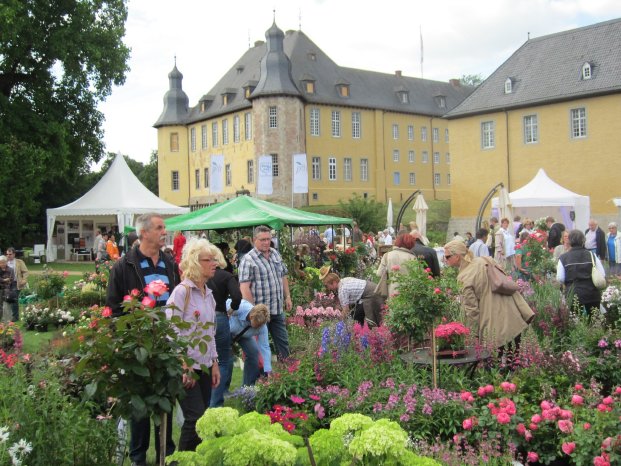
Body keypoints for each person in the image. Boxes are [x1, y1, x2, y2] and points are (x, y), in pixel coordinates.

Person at [106, 213, 178, 466]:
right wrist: (125, 339)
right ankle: (138, 458)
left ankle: (167, 454)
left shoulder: (169, 262)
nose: (164, 231)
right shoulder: (124, 265)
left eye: (164, 227)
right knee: (139, 404)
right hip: (138, 343)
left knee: (166, 398)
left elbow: (177, 298)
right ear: (144, 233)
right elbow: (114, 308)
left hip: (167, 342)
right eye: (159, 227)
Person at [166, 238, 220, 452]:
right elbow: (171, 329)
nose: (214, 263)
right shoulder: (182, 292)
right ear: (195, 263)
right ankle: (180, 460)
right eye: (209, 260)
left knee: (202, 419)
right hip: (186, 367)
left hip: (204, 366)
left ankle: (193, 459)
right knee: (194, 417)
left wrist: (215, 362)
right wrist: (183, 362)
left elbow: (210, 333)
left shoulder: (209, 294)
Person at [443, 239, 534, 351]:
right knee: (515, 361)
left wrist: (472, 335)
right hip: (514, 317)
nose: (445, 260)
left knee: (495, 364)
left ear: (457, 256)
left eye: (447, 257)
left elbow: (472, 310)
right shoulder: (484, 260)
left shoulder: (464, 277)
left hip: (495, 327)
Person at [239, 225, 292, 359]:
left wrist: (288, 297)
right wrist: (252, 311)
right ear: (254, 240)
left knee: (283, 343)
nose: (266, 242)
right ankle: (260, 376)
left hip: (277, 308)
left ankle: (287, 372)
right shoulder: (248, 260)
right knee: (259, 347)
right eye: (262, 239)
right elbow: (244, 287)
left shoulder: (275, 253)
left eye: (268, 239)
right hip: (260, 312)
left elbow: (283, 275)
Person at [207, 248, 241, 408]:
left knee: (204, 358)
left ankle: (207, 399)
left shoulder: (201, 277)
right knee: (223, 359)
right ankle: (216, 400)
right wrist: (232, 308)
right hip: (220, 316)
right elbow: (237, 296)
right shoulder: (227, 276)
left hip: (203, 317)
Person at [557, 229, 605, 318]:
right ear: (583, 241)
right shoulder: (591, 255)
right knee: (594, 320)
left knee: (576, 322)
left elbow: (560, 278)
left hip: (573, 294)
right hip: (592, 294)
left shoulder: (563, 258)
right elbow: (602, 273)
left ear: (569, 241)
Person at [228, 299, 272, 385]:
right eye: (257, 324)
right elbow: (221, 309)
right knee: (227, 357)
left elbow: (265, 347)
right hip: (227, 331)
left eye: (261, 325)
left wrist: (268, 371)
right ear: (251, 317)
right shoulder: (241, 306)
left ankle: (247, 387)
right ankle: (223, 389)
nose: (259, 327)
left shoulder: (262, 327)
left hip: (243, 335)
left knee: (253, 353)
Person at [376, 233, 417, 297]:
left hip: (392, 292)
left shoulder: (387, 255)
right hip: (408, 293)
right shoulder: (412, 258)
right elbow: (416, 278)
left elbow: (379, 273)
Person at [5, 247, 28, 322]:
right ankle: (7, 316)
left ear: (14, 254)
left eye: (10, 254)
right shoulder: (3, 262)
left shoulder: (19, 262)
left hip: (15, 283)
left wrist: (24, 279)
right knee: (6, 300)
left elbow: (25, 271)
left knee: (14, 299)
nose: (8, 256)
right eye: (7, 254)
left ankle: (15, 317)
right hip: (5, 284)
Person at [0, 256, 16, 322]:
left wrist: (3, 281)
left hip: (8, 290)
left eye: (3, 262)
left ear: (6, 262)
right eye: (0, 263)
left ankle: (8, 321)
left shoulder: (10, 270)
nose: (2, 264)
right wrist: (4, 280)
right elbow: (5, 280)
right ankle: (2, 320)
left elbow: (11, 280)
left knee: (7, 306)